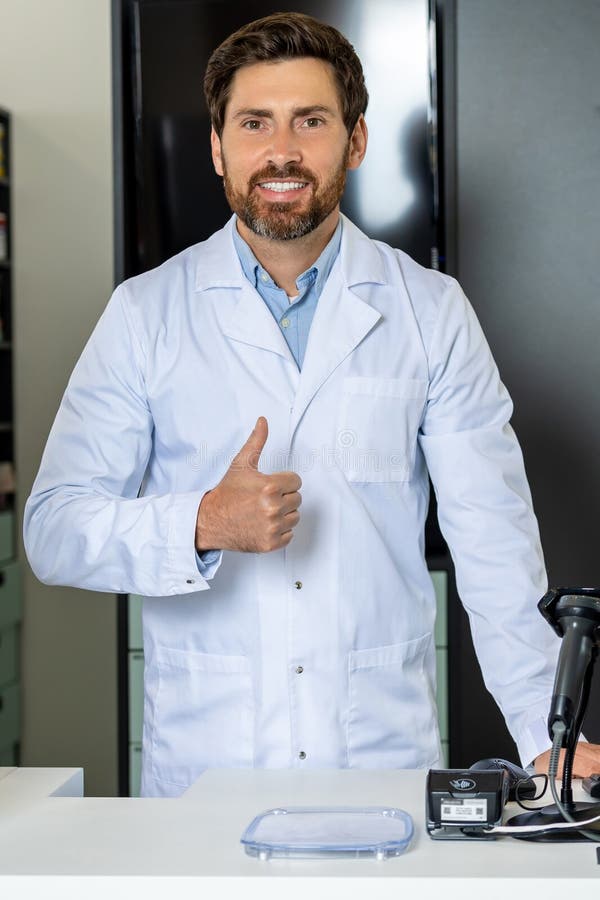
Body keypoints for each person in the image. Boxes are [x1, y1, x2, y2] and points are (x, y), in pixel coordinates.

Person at [24, 12, 599, 797]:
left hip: (375, 758)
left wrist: (544, 733)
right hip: (206, 767)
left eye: (311, 121)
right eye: (255, 123)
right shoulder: (145, 313)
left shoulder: (428, 310)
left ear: (355, 141)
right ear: (219, 147)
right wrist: (200, 523)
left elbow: (493, 538)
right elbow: (53, 528)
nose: (282, 152)